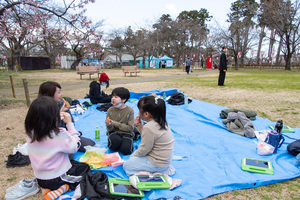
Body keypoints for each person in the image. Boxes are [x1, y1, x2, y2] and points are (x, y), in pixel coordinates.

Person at [25, 96, 90, 199]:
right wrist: (69, 124)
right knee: (86, 170)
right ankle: (63, 188)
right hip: (56, 178)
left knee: (76, 165)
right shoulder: (58, 134)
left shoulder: (30, 133)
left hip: (40, 177)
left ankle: (46, 188)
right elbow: (75, 146)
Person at [123, 95, 175, 176]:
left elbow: (144, 150)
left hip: (156, 163)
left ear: (146, 114)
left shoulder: (149, 127)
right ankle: (160, 169)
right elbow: (150, 137)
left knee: (127, 166)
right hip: (164, 162)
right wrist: (140, 127)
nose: (138, 113)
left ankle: (156, 173)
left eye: (139, 110)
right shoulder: (162, 122)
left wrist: (133, 156)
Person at [38, 81, 95, 153]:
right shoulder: (42, 109)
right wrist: (58, 115)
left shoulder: (61, 104)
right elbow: (50, 131)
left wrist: (67, 115)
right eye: (58, 92)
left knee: (90, 144)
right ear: (50, 95)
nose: (61, 94)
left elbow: (71, 124)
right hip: (50, 140)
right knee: (69, 153)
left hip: (66, 136)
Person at [105, 87, 134, 155]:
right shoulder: (110, 110)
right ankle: (120, 142)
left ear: (123, 100)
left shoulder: (130, 111)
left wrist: (114, 123)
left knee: (126, 150)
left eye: (116, 97)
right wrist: (109, 125)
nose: (113, 99)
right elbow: (110, 129)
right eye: (112, 96)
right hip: (114, 132)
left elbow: (130, 128)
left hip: (127, 133)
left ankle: (124, 142)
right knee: (113, 145)